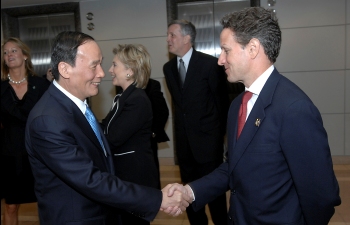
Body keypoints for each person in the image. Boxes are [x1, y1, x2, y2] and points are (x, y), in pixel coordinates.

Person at [168, 7, 342, 225]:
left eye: (226, 50)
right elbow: (234, 166)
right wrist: (190, 192)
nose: (220, 60)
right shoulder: (237, 106)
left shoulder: (294, 109)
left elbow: (321, 196)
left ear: (252, 49)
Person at [25, 31, 190, 225]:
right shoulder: (48, 120)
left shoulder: (76, 106)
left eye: (102, 64)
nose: (102, 73)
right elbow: (90, 179)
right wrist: (158, 199)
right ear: (65, 69)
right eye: (94, 65)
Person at [163, 19, 229, 225]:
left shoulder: (210, 64)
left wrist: (219, 139)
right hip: (184, 146)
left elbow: (222, 105)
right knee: (188, 198)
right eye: (168, 35)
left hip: (209, 145)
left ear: (187, 38)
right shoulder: (169, 68)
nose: (168, 39)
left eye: (173, 35)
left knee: (215, 197)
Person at [100, 44, 160, 225]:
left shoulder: (137, 100)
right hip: (125, 176)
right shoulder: (124, 97)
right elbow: (105, 126)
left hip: (134, 177)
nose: (110, 70)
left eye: (114, 65)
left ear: (130, 71)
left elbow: (113, 138)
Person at [1, 37, 50, 225]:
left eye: (13, 50)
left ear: (25, 55)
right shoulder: (1, 89)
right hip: (9, 154)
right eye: (5, 53)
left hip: (38, 153)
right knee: (11, 205)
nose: (9, 55)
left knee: (45, 202)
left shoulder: (42, 85)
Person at [144, 78, 170, 189]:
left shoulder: (151, 84)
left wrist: (153, 133)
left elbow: (162, 111)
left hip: (147, 141)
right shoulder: (120, 85)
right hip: (129, 144)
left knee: (151, 178)